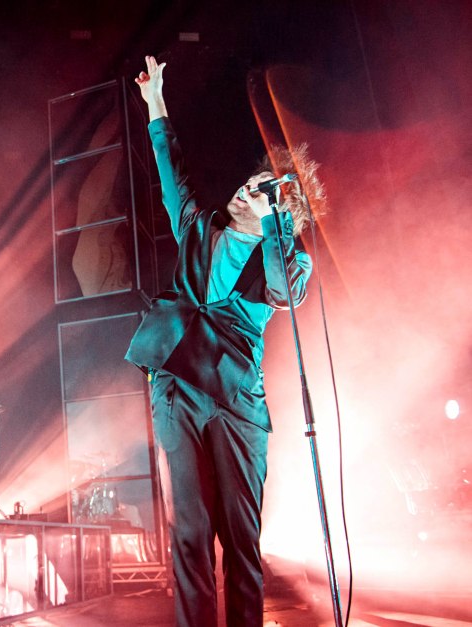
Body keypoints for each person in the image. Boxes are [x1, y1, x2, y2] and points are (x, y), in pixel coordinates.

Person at [125, 56, 325, 626]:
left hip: (238, 402)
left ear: (281, 212)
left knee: (241, 542)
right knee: (189, 533)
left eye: (261, 191)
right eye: (248, 184)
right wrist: (156, 102)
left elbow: (285, 290)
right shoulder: (197, 228)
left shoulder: (286, 259)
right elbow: (173, 174)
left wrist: (274, 223)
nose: (246, 189)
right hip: (177, 387)